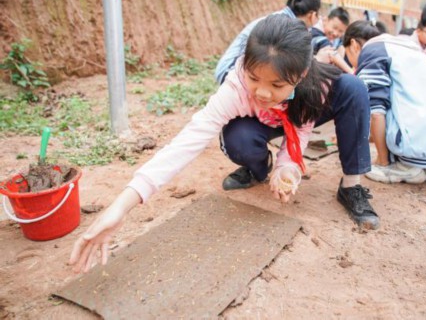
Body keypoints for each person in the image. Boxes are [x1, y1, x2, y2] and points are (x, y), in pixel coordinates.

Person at [70, 15, 381, 273]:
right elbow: (186, 143)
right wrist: (120, 206)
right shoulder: (235, 89)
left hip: (290, 116)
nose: (261, 91)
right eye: (254, 78)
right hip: (258, 124)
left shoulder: (315, 87)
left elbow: (299, 133)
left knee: (353, 87)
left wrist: (288, 171)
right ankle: (259, 168)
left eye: (275, 84)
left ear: (299, 76)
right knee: (239, 140)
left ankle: (350, 185)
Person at [342, 21, 426, 184]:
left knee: (374, 102)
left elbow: (376, 112)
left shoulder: (371, 52)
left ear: (354, 45)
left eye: (347, 55)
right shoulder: (403, 48)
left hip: (423, 141)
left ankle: (402, 167)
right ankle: (424, 166)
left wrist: (382, 161)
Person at [214, 0, 321, 84]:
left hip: (231, 70)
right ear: (312, 15)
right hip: (230, 72)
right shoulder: (287, 26)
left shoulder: (282, 19)